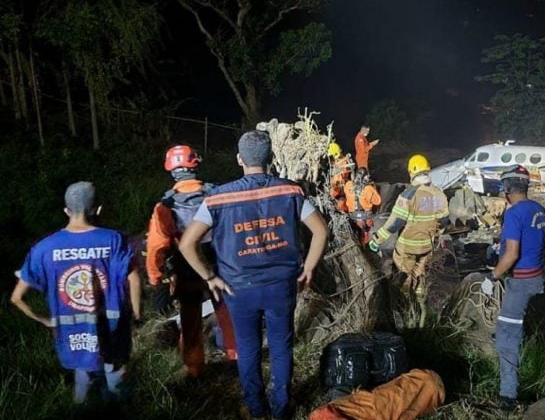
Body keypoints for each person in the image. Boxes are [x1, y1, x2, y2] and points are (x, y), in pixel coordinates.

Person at [178, 130, 329, 420]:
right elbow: (320, 230)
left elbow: (187, 243)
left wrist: (210, 277)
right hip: (281, 285)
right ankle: (282, 407)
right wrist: (308, 268)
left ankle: (256, 409)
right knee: (281, 346)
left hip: (238, 288)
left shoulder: (217, 199)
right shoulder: (291, 191)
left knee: (247, 348)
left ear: (239, 159)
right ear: (271, 158)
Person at [11, 182, 142, 404]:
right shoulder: (114, 239)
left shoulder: (44, 248)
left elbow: (16, 298)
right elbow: (133, 277)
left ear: (66, 211)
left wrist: (45, 321)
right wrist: (136, 313)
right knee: (116, 378)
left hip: (72, 331)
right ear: (98, 209)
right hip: (112, 326)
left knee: (83, 375)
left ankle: (81, 411)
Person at [146, 144, 237, 378]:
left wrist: (156, 278)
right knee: (227, 314)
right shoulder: (217, 194)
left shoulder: (164, 207)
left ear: (171, 170)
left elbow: (156, 247)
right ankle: (235, 358)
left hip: (186, 270)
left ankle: (194, 368)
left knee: (190, 320)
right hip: (220, 265)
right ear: (195, 163)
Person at [480, 165, 545, 412]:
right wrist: (535, 255)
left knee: (506, 340)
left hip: (521, 283)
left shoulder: (513, 213)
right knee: (515, 324)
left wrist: (492, 277)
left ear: (507, 188)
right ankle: (510, 331)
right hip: (538, 277)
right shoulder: (538, 209)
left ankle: (508, 396)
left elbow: (511, 254)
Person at [369, 154, 448, 300]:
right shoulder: (440, 194)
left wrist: (376, 240)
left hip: (408, 246)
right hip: (428, 246)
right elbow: (443, 222)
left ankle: (403, 301)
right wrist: (435, 238)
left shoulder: (408, 195)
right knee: (420, 274)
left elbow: (394, 224)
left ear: (412, 173)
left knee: (403, 274)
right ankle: (419, 301)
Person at [344, 167, 382, 245]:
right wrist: (373, 187)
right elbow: (378, 201)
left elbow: (345, 192)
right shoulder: (368, 189)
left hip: (353, 216)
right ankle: (367, 240)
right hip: (366, 217)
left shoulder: (348, 185)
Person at [327, 142, 353, 213]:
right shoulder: (338, 161)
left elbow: (345, 174)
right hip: (339, 188)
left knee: (342, 203)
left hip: (343, 187)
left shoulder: (344, 161)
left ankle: (348, 212)